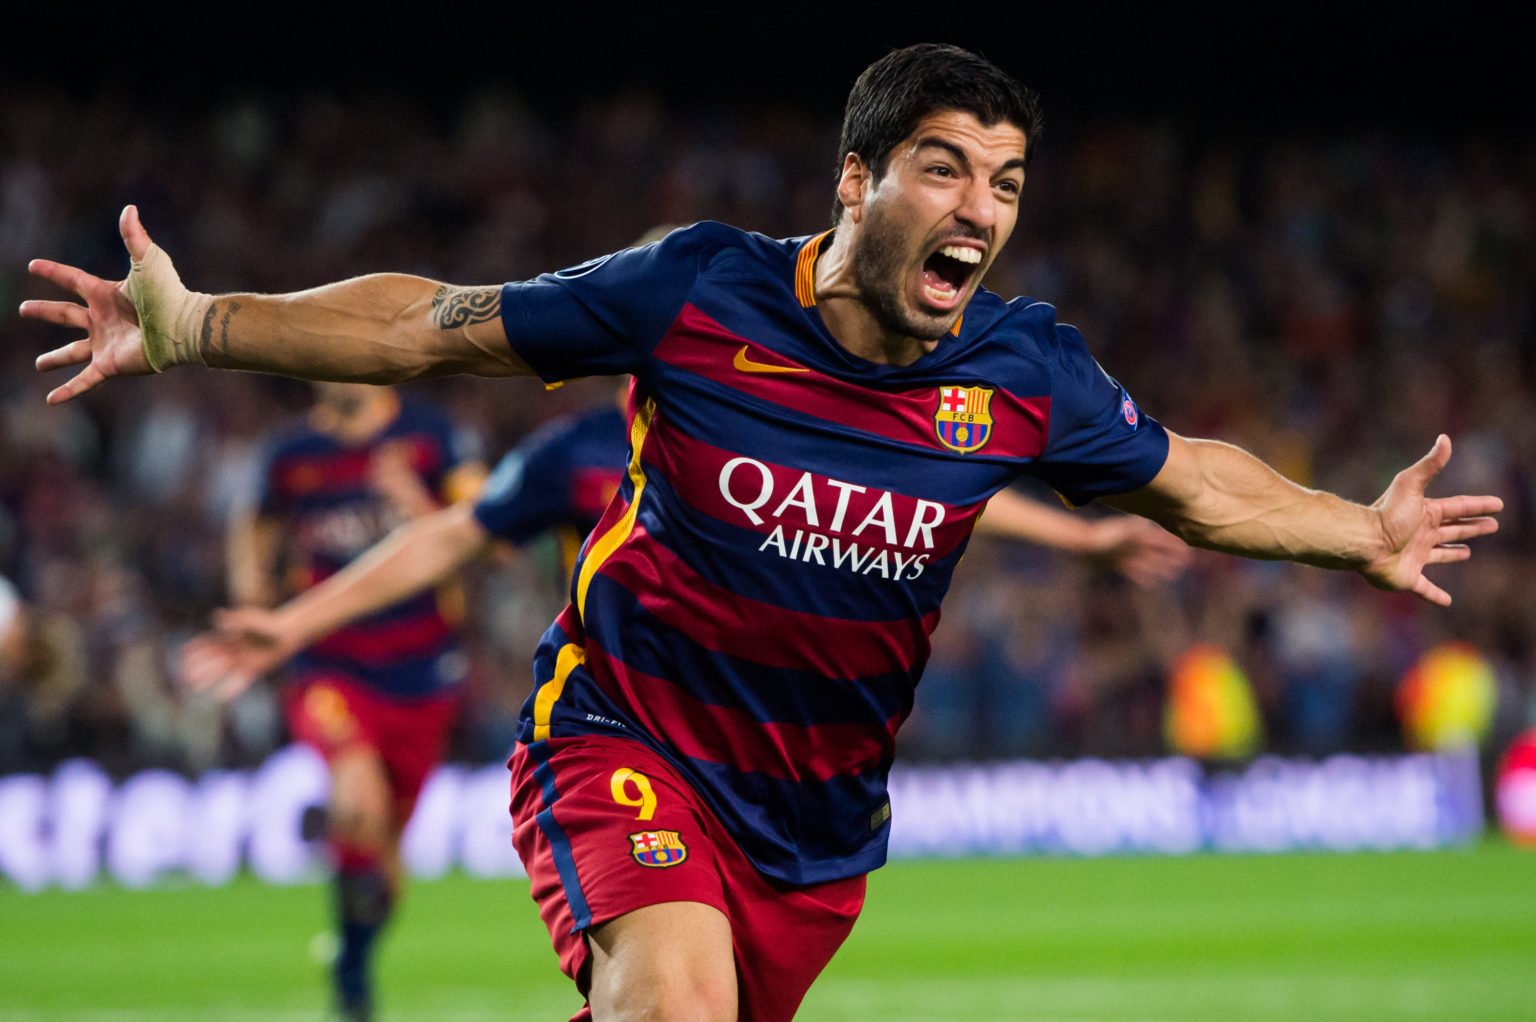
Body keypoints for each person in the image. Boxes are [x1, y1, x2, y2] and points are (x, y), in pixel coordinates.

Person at [22, 43, 1501, 1022]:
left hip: (816, 828)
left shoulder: (1021, 371)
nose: (981, 205)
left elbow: (1192, 478)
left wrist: (1354, 531)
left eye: (1006, 181)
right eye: (943, 166)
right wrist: (207, 319)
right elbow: (435, 325)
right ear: (854, 184)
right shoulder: (697, 295)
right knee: (673, 1003)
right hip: (622, 737)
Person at [224, 380, 479, 1021]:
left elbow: (485, 532)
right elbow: (253, 522)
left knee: (385, 862)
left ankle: (352, 960)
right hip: (329, 665)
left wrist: (414, 501)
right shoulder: (292, 452)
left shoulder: (431, 436)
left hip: (423, 671)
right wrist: (252, 593)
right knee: (357, 796)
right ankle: (353, 979)